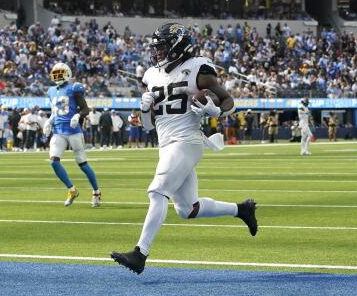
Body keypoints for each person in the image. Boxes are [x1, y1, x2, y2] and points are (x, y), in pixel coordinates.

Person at [111, 23, 257, 275]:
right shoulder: (151, 75)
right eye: (156, 47)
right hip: (166, 143)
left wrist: (217, 111)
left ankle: (140, 253)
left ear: (178, 46)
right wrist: (144, 110)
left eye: (162, 47)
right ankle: (241, 209)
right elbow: (147, 126)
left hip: (187, 140)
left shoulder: (197, 68)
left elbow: (228, 100)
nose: (157, 52)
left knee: (157, 192)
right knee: (188, 209)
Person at [44, 62, 102, 208]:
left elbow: (85, 109)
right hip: (58, 131)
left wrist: (77, 115)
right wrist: (49, 121)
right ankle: (71, 189)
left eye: (60, 74)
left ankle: (96, 191)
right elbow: (55, 111)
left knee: (82, 164)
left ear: (67, 74)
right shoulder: (51, 91)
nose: (57, 77)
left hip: (73, 131)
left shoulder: (74, 88)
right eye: (55, 74)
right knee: (53, 161)